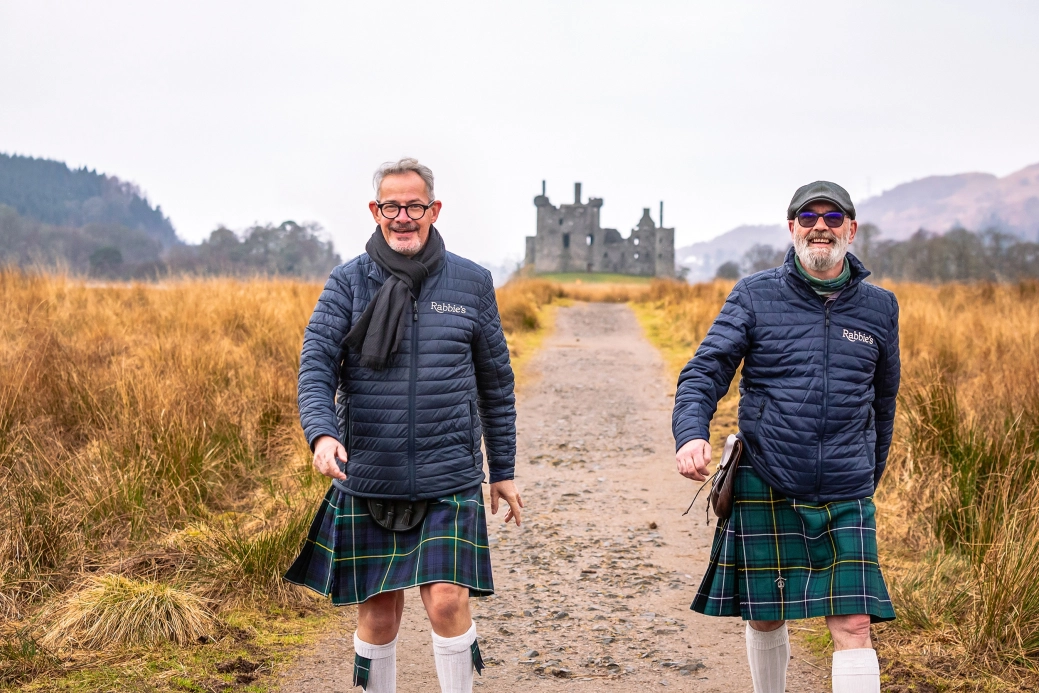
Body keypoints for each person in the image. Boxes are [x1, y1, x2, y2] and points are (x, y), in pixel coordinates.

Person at [285, 158, 523, 693]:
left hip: (449, 473)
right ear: (375, 211)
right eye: (391, 206)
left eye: (415, 206)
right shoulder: (347, 283)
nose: (403, 217)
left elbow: (496, 383)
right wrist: (322, 433)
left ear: (434, 210)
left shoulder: (471, 282)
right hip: (371, 472)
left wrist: (501, 470)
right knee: (378, 616)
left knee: (446, 601)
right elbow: (317, 365)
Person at [672, 181, 899, 693]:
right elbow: (705, 371)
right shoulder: (755, 293)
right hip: (768, 473)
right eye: (809, 216)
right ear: (792, 227)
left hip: (845, 486)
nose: (821, 225)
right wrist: (691, 432)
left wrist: (868, 473)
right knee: (766, 615)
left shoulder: (880, 307)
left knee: (855, 624)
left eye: (834, 217)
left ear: (852, 228)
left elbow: (884, 403)